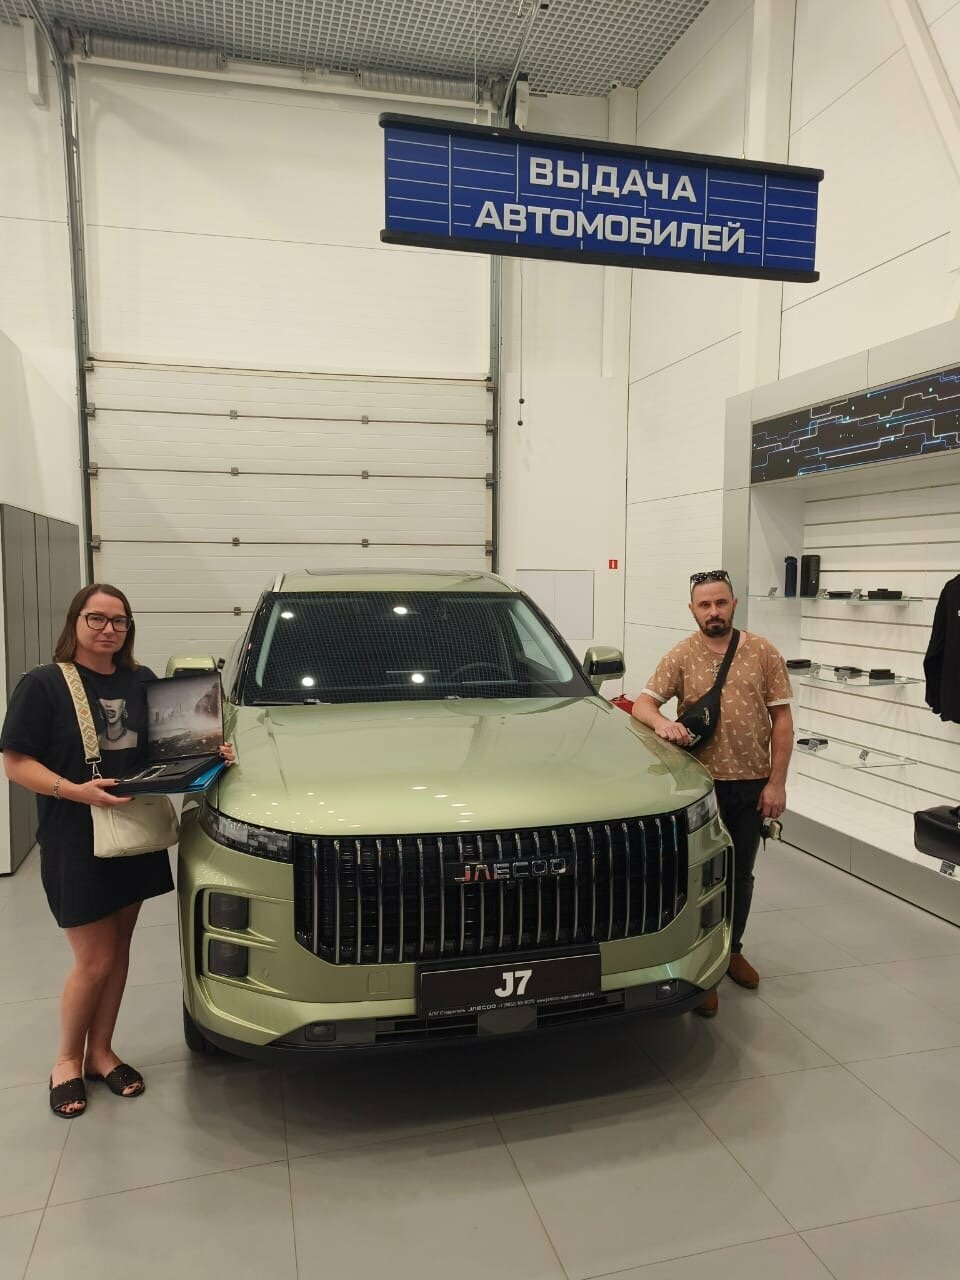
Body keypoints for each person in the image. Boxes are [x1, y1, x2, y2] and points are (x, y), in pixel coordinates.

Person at [0, 584, 234, 1117]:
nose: (109, 629)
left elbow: (166, 749)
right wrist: (72, 790)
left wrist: (209, 750)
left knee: (119, 950)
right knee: (95, 958)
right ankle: (66, 1061)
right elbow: (14, 763)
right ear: (75, 621)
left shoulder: (141, 680)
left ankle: (101, 1052)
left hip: (133, 831)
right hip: (74, 835)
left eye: (119, 621)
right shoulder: (44, 684)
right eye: (97, 618)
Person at [631, 569, 793, 1018]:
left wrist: (777, 782)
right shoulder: (682, 654)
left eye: (720, 603)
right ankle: (703, 969)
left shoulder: (762, 651)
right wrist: (662, 723)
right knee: (698, 878)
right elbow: (643, 703)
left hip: (751, 784)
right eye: (705, 605)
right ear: (692, 610)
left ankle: (732, 951)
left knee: (740, 875)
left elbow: (782, 720)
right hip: (698, 788)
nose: (714, 611)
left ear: (733, 604)